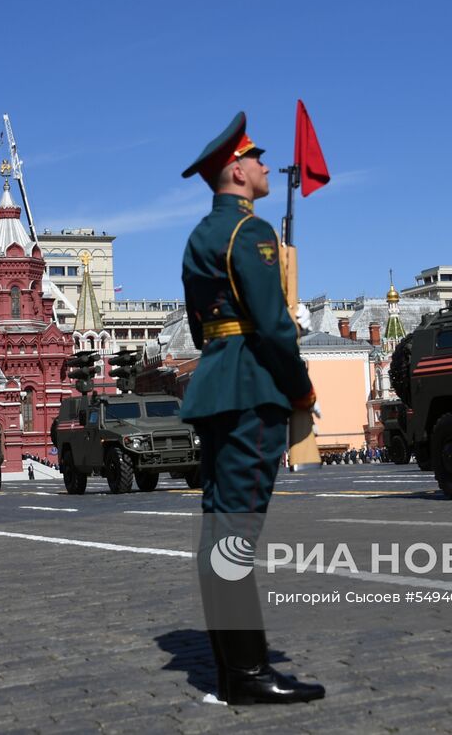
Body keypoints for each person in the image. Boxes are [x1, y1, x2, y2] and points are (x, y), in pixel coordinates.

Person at [179, 111, 325, 705]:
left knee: (218, 531)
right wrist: (302, 390)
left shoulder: (198, 237)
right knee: (235, 536)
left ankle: (233, 669)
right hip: (251, 387)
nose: (268, 167)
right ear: (236, 170)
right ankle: (246, 676)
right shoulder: (253, 232)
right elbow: (271, 326)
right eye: (258, 158)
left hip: (216, 383)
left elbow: (198, 324)